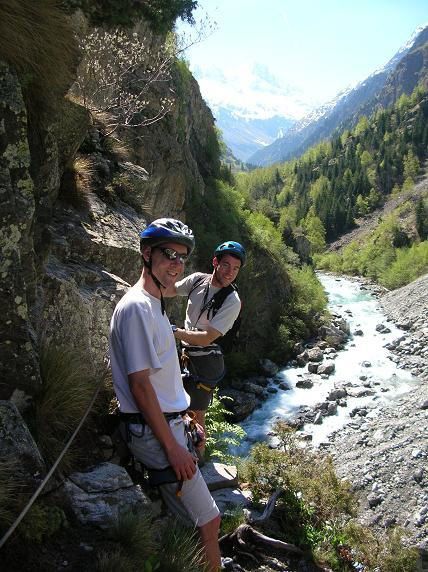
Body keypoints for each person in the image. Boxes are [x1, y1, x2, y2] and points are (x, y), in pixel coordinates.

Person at [109, 218, 221, 571]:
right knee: (210, 520)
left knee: (189, 523)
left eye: (182, 257)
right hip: (156, 432)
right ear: (146, 254)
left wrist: (186, 419)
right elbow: (140, 386)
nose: (176, 263)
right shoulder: (137, 308)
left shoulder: (154, 303)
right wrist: (173, 447)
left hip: (169, 424)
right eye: (169, 254)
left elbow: (159, 379)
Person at [172, 241, 245, 446]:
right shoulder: (197, 280)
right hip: (186, 355)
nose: (230, 272)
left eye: (236, 268)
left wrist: (174, 332)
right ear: (215, 262)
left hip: (206, 363)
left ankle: (199, 466)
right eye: (226, 265)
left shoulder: (232, 301)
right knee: (178, 409)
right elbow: (170, 290)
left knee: (196, 417)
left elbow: (206, 337)